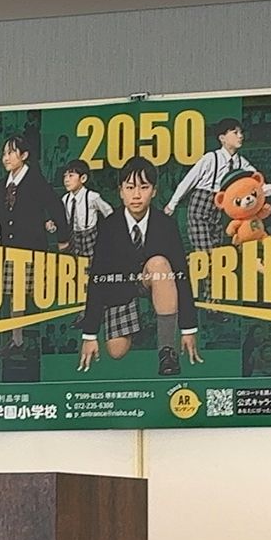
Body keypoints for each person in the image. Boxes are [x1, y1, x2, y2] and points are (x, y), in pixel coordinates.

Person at [78, 156, 201, 378]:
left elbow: (182, 274)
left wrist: (188, 329)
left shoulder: (166, 224)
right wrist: (90, 334)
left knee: (159, 263)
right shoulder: (108, 226)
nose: (136, 195)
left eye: (144, 187)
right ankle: (141, 321)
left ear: (154, 191)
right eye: (130, 187)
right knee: (116, 352)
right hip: (121, 289)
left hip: (155, 280)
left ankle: (166, 350)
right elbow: (97, 277)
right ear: (120, 191)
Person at [0, 133, 71, 379]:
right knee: (15, 295)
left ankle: (36, 342)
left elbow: (56, 206)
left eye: (11, 152)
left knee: (34, 295)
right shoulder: (3, 183)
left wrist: (63, 237)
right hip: (10, 249)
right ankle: (17, 340)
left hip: (33, 248)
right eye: (4, 153)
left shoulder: (35, 180)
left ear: (24, 155)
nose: (6, 158)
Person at [163, 118, 271, 296]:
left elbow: (254, 186)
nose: (240, 136)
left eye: (241, 132)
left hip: (220, 211)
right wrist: (172, 204)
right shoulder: (211, 158)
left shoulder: (241, 163)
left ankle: (213, 299)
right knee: (206, 254)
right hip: (201, 204)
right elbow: (189, 180)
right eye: (235, 132)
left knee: (218, 256)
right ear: (222, 138)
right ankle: (196, 289)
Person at [61, 160, 112, 259]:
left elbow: (109, 212)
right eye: (65, 176)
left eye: (71, 176)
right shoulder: (65, 199)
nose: (66, 180)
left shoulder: (92, 197)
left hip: (89, 235)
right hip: (73, 236)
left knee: (91, 260)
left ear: (83, 178)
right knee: (74, 261)